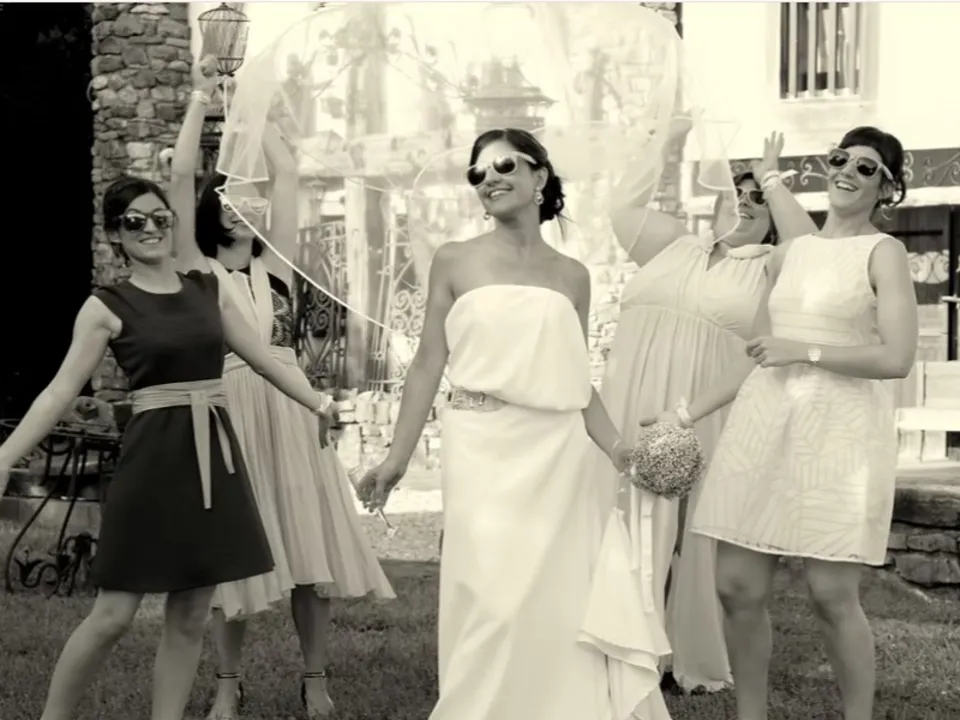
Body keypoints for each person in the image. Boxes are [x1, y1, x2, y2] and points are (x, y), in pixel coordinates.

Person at [357, 128, 672, 720]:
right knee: (491, 602)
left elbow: (576, 381)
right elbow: (427, 362)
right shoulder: (454, 260)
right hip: (481, 447)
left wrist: (621, 452)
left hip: (560, 456)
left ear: (539, 176)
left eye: (504, 166)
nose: (489, 179)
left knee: (560, 601)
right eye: (477, 174)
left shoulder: (573, 276)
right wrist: (396, 459)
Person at [0, 175, 335, 720]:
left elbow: (263, 359)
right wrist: (4, 456)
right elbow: (59, 392)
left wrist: (319, 404)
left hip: (214, 459)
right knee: (113, 614)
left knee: (191, 612)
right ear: (115, 233)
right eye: (135, 221)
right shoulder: (106, 306)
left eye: (161, 218)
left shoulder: (206, 288)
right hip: (154, 460)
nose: (151, 228)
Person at [169, 57, 394, 720]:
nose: (252, 209)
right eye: (237, 201)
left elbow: (288, 172)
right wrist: (202, 99)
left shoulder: (276, 267)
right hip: (229, 411)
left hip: (292, 414)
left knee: (309, 548)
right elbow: (179, 178)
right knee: (230, 556)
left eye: (256, 201)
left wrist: (252, 107)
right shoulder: (195, 266)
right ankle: (228, 682)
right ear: (214, 209)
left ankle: (315, 678)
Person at [687, 126, 918, 720]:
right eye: (841, 158)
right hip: (762, 425)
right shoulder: (790, 253)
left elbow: (896, 358)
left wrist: (805, 352)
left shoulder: (884, 253)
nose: (848, 171)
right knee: (736, 587)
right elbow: (756, 353)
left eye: (867, 167)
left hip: (838, 434)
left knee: (830, 594)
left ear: (886, 188)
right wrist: (685, 414)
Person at [604, 117, 813, 695]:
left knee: (686, 533)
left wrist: (772, 180)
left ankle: (679, 651)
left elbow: (809, 244)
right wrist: (665, 141)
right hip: (630, 399)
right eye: (736, 193)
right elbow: (622, 207)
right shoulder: (672, 245)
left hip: (707, 407)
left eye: (756, 200)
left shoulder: (771, 267)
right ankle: (617, 642)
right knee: (619, 519)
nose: (744, 203)